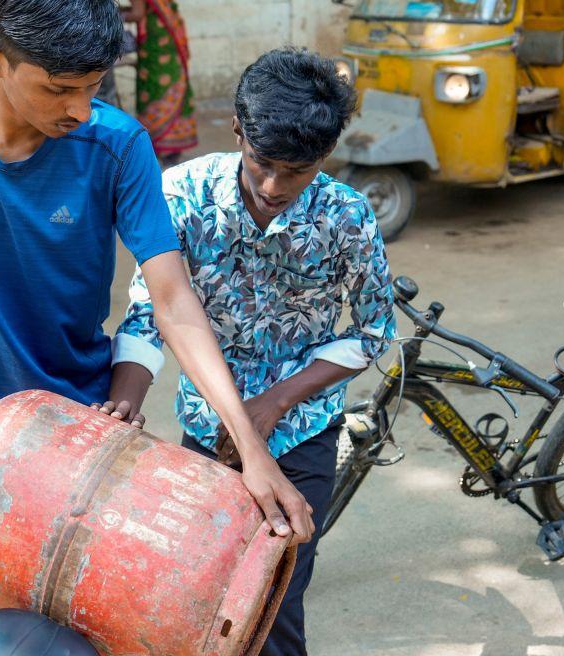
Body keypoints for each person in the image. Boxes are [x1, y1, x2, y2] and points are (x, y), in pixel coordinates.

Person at [0, 0, 313, 543]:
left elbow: (173, 302)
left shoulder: (118, 145)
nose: (79, 109)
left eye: (93, 88)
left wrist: (252, 450)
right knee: (2, 611)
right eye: (59, 89)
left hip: (88, 425)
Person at [111, 48, 397, 656]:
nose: (272, 188)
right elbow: (149, 309)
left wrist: (274, 403)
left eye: (295, 172)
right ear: (237, 130)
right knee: (204, 586)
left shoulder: (348, 217)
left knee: (275, 596)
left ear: (326, 156)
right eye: (262, 162)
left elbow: (372, 332)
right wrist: (125, 402)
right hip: (204, 432)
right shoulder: (181, 193)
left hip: (304, 438)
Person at [121, 0, 196, 167]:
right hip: (171, 41)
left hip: (154, 44)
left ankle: (157, 146)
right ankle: (173, 147)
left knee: (153, 89)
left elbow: (136, 14)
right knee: (173, 85)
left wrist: (113, 13)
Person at [44, 0, 123, 107]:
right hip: (102, 24)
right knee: (102, 87)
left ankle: (74, 128)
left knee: (65, 86)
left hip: (65, 27)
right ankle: (102, 129)